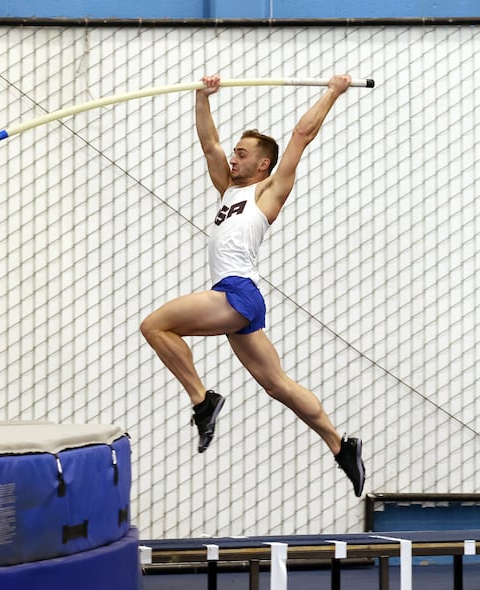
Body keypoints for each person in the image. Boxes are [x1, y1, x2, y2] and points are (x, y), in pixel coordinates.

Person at [140, 74, 365, 497]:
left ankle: (202, 400)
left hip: (236, 292)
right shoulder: (227, 190)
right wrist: (201, 97)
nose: (233, 159)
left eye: (242, 155)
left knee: (154, 326)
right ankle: (340, 446)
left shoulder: (269, 190)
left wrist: (333, 91)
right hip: (238, 300)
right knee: (277, 383)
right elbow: (209, 144)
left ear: (263, 163)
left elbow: (302, 134)